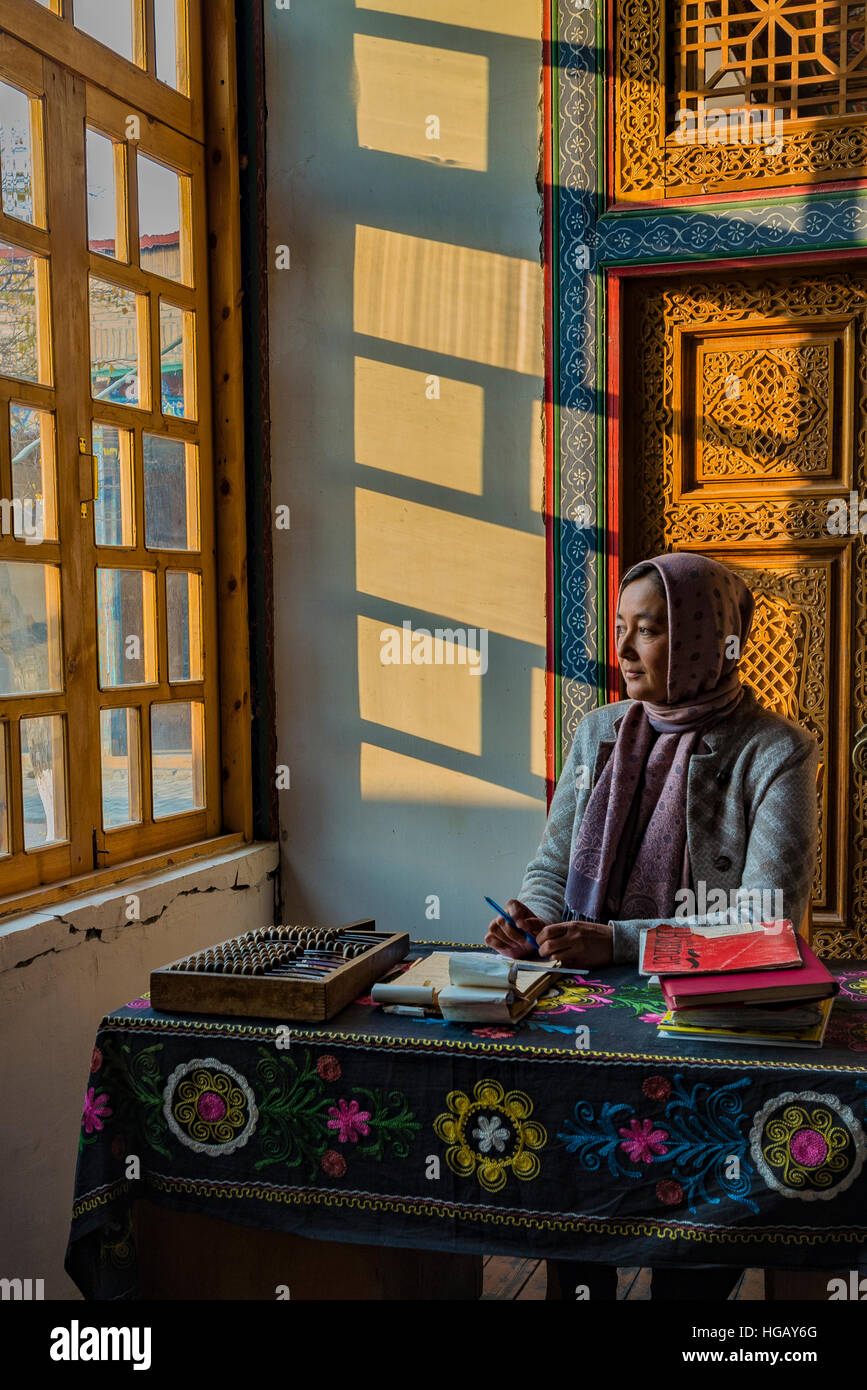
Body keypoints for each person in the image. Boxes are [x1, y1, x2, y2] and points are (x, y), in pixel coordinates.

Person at [485, 551, 820, 1300]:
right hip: (583, 1015)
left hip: (706, 1020)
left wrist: (618, 941)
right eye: (619, 629)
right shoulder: (598, 731)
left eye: (650, 631)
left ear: (708, 640)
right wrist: (530, 917)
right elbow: (552, 862)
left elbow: (767, 927)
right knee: (574, 1191)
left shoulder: (774, 751)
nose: (624, 652)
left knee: (698, 1228)